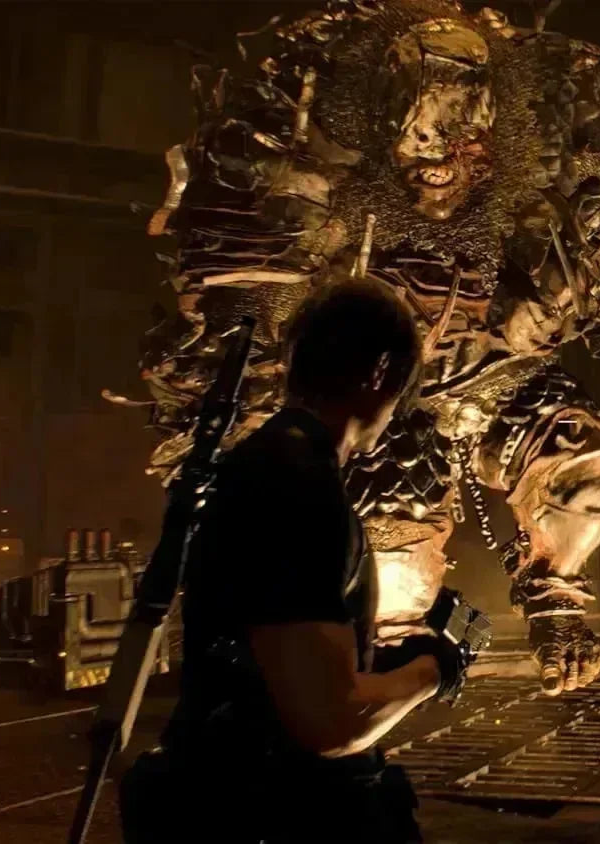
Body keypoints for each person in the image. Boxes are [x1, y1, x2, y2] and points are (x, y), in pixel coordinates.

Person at [120, 279, 466, 844]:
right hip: (274, 816)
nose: (396, 410)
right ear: (380, 372)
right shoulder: (299, 485)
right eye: (402, 389)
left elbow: (274, 659)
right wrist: (437, 668)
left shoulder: (267, 463)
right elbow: (329, 723)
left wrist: (384, 664)